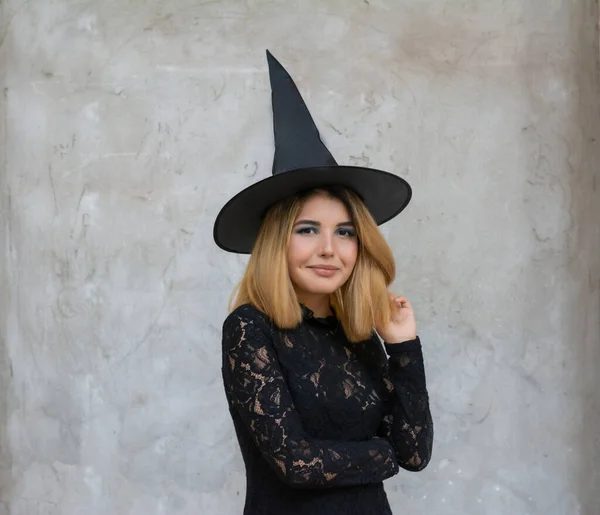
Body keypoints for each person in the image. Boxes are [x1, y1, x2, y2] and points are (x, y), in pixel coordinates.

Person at [213, 51, 433, 515]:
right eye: (308, 229)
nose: (329, 248)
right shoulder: (250, 329)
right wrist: (380, 455)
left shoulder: (359, 335)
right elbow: (297, 463)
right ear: (278, 241)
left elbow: (413, 454)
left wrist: (404, 347)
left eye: (345, 231)